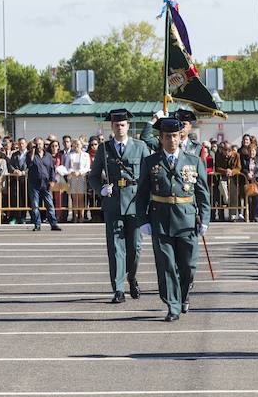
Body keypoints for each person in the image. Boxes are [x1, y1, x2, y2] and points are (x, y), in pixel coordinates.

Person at [136, 116, 210, 321]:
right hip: (160, 220)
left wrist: (204, 219)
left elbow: (203, 194)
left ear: (180, 137)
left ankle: (184, 295)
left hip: (186, 220)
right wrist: (143, 220)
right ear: (161, 138)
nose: (171, 140)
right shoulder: (150, 162)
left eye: (175, 136)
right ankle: (173, 305)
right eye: (167, 136)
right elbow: (141, 193)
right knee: (167, 265)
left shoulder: (193, 161)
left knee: (188, 266)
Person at [89, 109, 151, 304]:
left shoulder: (140, 147)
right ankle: (118, 288)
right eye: (116, 125)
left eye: (123, 124)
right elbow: (93, 176)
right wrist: (101, 189)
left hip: (135, 203)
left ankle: (132, 277)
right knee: (116, 248)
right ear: (112, 127)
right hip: (113, 202)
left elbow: (148, 176)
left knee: (135, 248)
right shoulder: (104, 148)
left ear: (128, 126)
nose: (119, 128)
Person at [26, 137, 61, 231]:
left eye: (40, 144)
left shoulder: (48, 155)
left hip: (46, 184)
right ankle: (37, 224)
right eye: (36, 144)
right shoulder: (30, 154)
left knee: (50, 205)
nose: (38, 146)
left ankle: (53, 224)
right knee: (35, 205)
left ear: (43, 145)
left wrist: (52, 181)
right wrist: (32, 151)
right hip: (34, 184)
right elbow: (29, 164)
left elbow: (52, 169)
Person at [65, 138, 91, 222]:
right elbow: (66, 167)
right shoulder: (70, 155)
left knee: (81, 198)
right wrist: (72, 172)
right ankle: (75, 216)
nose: (76, 146)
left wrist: (79, 172)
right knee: (74, 198)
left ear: (81, 145)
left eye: (78, 144)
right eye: (75, 144)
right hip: (72, 178)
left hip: (81, 178)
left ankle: (81, 216)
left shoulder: (86, 155)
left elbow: (87, 167)